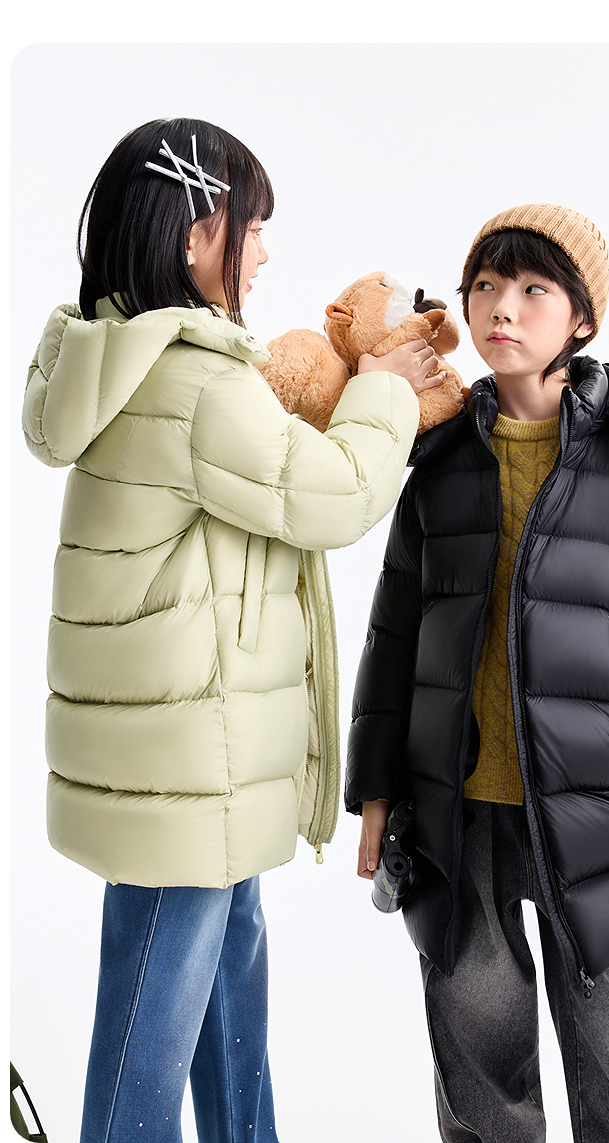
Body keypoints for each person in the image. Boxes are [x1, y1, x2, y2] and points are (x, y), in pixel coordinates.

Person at [21, 116, 444, 1143]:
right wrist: (385, 389)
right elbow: (333, 494)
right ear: (192, 234)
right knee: (154, 1015)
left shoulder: (131, 361)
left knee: (221, 981)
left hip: (185, 754)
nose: (262, 253)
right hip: (190, 758)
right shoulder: (195, 384)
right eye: (250, 228)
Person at [346, 203, 609, 1143]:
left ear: (583, 319)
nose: (501, 309)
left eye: (532, 289)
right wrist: (377, 787)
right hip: (460, 807)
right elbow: (394, 630)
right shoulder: (441, 457)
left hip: (601, 805)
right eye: (485, 285)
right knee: (477, 1051)